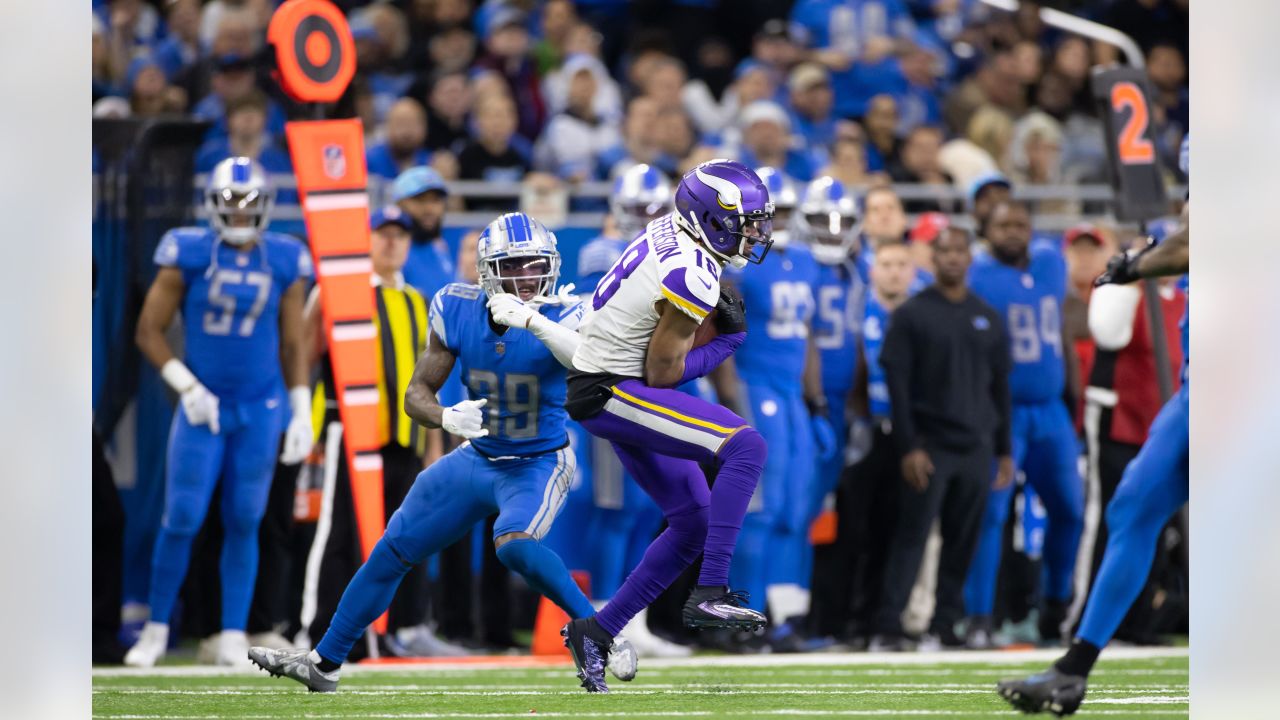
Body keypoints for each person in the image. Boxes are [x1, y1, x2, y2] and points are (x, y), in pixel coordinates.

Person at [249, 212, 637, 691]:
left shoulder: (569, 311)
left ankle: (602, 634)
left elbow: (587, 359)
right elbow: (417, 393)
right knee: (391, 551)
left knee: (514, 544)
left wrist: (534, 322)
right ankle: (324, 662)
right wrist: (446, 417)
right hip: (476, 457)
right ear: (487, 271)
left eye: (534, 265)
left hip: (538, 460)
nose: (526, 277)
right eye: (511, 267)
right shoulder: (455, 306)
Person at [560, 160, 774, 691]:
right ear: (713, 218)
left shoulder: (673, 230)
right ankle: (711, 592)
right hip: (613, 390)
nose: (755, 233)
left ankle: (597, 630)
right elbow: (662, 376)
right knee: (745, 448)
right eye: (746, 221)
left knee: (693, 522)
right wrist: (727, 343)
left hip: (607, 378)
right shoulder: (694, 273)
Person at [997, 182, 1189, 717]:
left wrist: (1131, 265)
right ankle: (1072, 670)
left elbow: (1192, 240)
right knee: (1131, 508)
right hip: (1194, 393)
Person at [124, 157, 314, 667]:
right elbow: (149, 330)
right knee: (182, 516)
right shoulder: (187, 250)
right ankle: (157, 628)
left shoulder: (283, 256)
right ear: (212, 204)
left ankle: (232, 632)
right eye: (231, 201)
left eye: (249, 201)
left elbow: (294, 343)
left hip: (261, 403)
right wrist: (186, 386)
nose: (240, 211)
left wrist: (300, 409)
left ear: (266, 205)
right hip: (204, 404)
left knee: (246, 517)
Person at [298, 207, 466, 659]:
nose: (392, 243)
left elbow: (424, 380)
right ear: (367, 240)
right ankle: (317, 630)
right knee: (338, 535)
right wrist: (304, 415)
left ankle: (405, 628)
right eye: (383, 234)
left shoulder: (416, 300)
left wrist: (433, 442)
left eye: (400, 235)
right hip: (351, 434)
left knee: (407, 535)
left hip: (404, 438)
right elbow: (306, 351)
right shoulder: (340, 292)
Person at [871, 226, 1014, 650]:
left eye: (959, 251)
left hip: (977, 444)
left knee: (962, 539)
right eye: (944, 251)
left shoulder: (988, 315)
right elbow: (897, 385)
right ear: (932, 259)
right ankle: (887, 624)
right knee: (911, 536)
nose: (952, 258)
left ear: (970, 257)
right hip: (930, 444)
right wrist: (909, 445)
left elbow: (1000, 388)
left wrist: (1004, 449)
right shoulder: (912, 313)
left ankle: (947, 623)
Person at [963, 200, 1084, 648]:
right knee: (992, 514)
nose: (1013, 231)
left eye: (1020, 224)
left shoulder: (1052, 264)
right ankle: (979, 615)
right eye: (1004, 224)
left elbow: (1068, 327)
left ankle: (1055, 605)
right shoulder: (978, 275)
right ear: (987, 230)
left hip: (1052, 410)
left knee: (1070, 510)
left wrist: (1074, 398)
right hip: (1003, 412)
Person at [723, 167, 834, 642]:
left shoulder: (805, 260)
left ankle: (785, 620)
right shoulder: (735, 267)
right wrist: (732, 403)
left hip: (791, 397)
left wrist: (817, 400)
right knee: (759, 511)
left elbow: (806, 334)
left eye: (785, 212)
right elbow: (720, 339)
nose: (778, 222)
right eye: (770, 213)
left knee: (793, 510)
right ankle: (739, 620)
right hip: (756, 387)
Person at [392, 166, 456, 299]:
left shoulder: (440, 248)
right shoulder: (390, 250)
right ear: (399, 204)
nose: (430, 208)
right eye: (420, 200)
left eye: (435, 200)